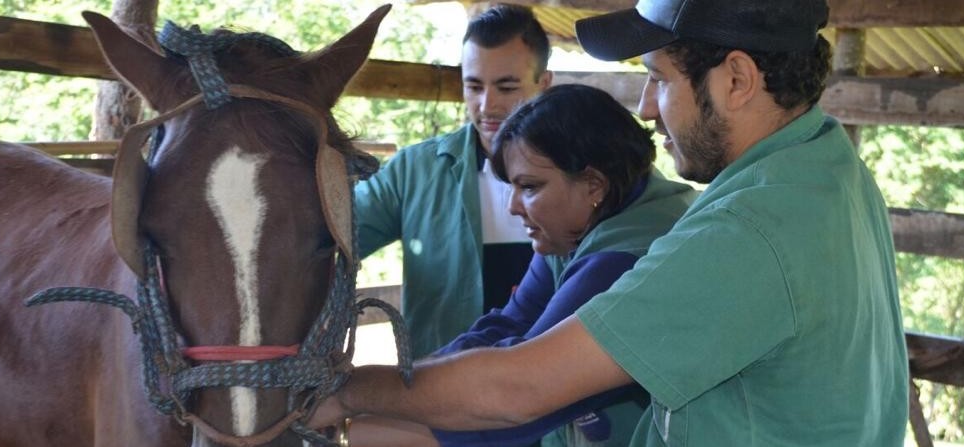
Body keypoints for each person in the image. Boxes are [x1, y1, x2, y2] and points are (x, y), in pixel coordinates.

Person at [315, 0, 910, 446]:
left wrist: (347, 390)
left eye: (659, 78)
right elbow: (510, 328)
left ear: (736, 79)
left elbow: (519, 391)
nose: (648, 106)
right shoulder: (828, 167)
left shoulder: (746, 229)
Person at [338, 84, 696, 447]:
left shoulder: (626, 257)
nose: (513, 206)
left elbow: (515, 397)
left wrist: (349, 403)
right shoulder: (576, 230)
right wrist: (405, 390)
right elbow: (506, 325)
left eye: (529, 187)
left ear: (593, 185)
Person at [355, 4, 553, 359]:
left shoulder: (589, 173)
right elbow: (330, 234)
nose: (487, 105)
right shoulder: (412, 171)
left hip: (563, 395)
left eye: (507, 88)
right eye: (473, 86)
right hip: (442, 397)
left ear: (544, 84)